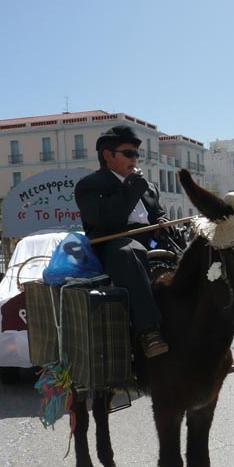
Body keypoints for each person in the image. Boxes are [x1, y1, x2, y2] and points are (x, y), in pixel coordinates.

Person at [74, 125, 168, 358]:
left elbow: (158, 214)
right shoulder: (90, 185)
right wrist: (132, 188)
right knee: (128, 250)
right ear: (108, 156)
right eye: (128, 153)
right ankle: (149, 331)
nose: (134, 159)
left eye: (137, 154)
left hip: (150, 245)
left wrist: (163, 224)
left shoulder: (149, 188)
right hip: (113, 249)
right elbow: (107, 220)